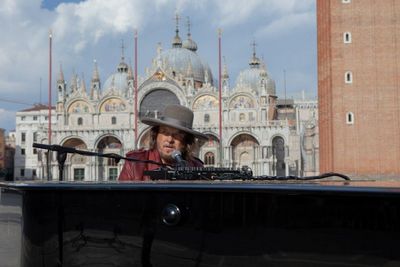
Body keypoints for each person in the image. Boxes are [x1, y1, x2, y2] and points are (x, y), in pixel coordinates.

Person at [119, 104, 208, 181]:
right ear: (156, 135)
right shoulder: (134, 164)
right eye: (165, 132)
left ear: (186, 141)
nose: (169, 140)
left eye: (177, 135)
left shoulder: (196, 167)